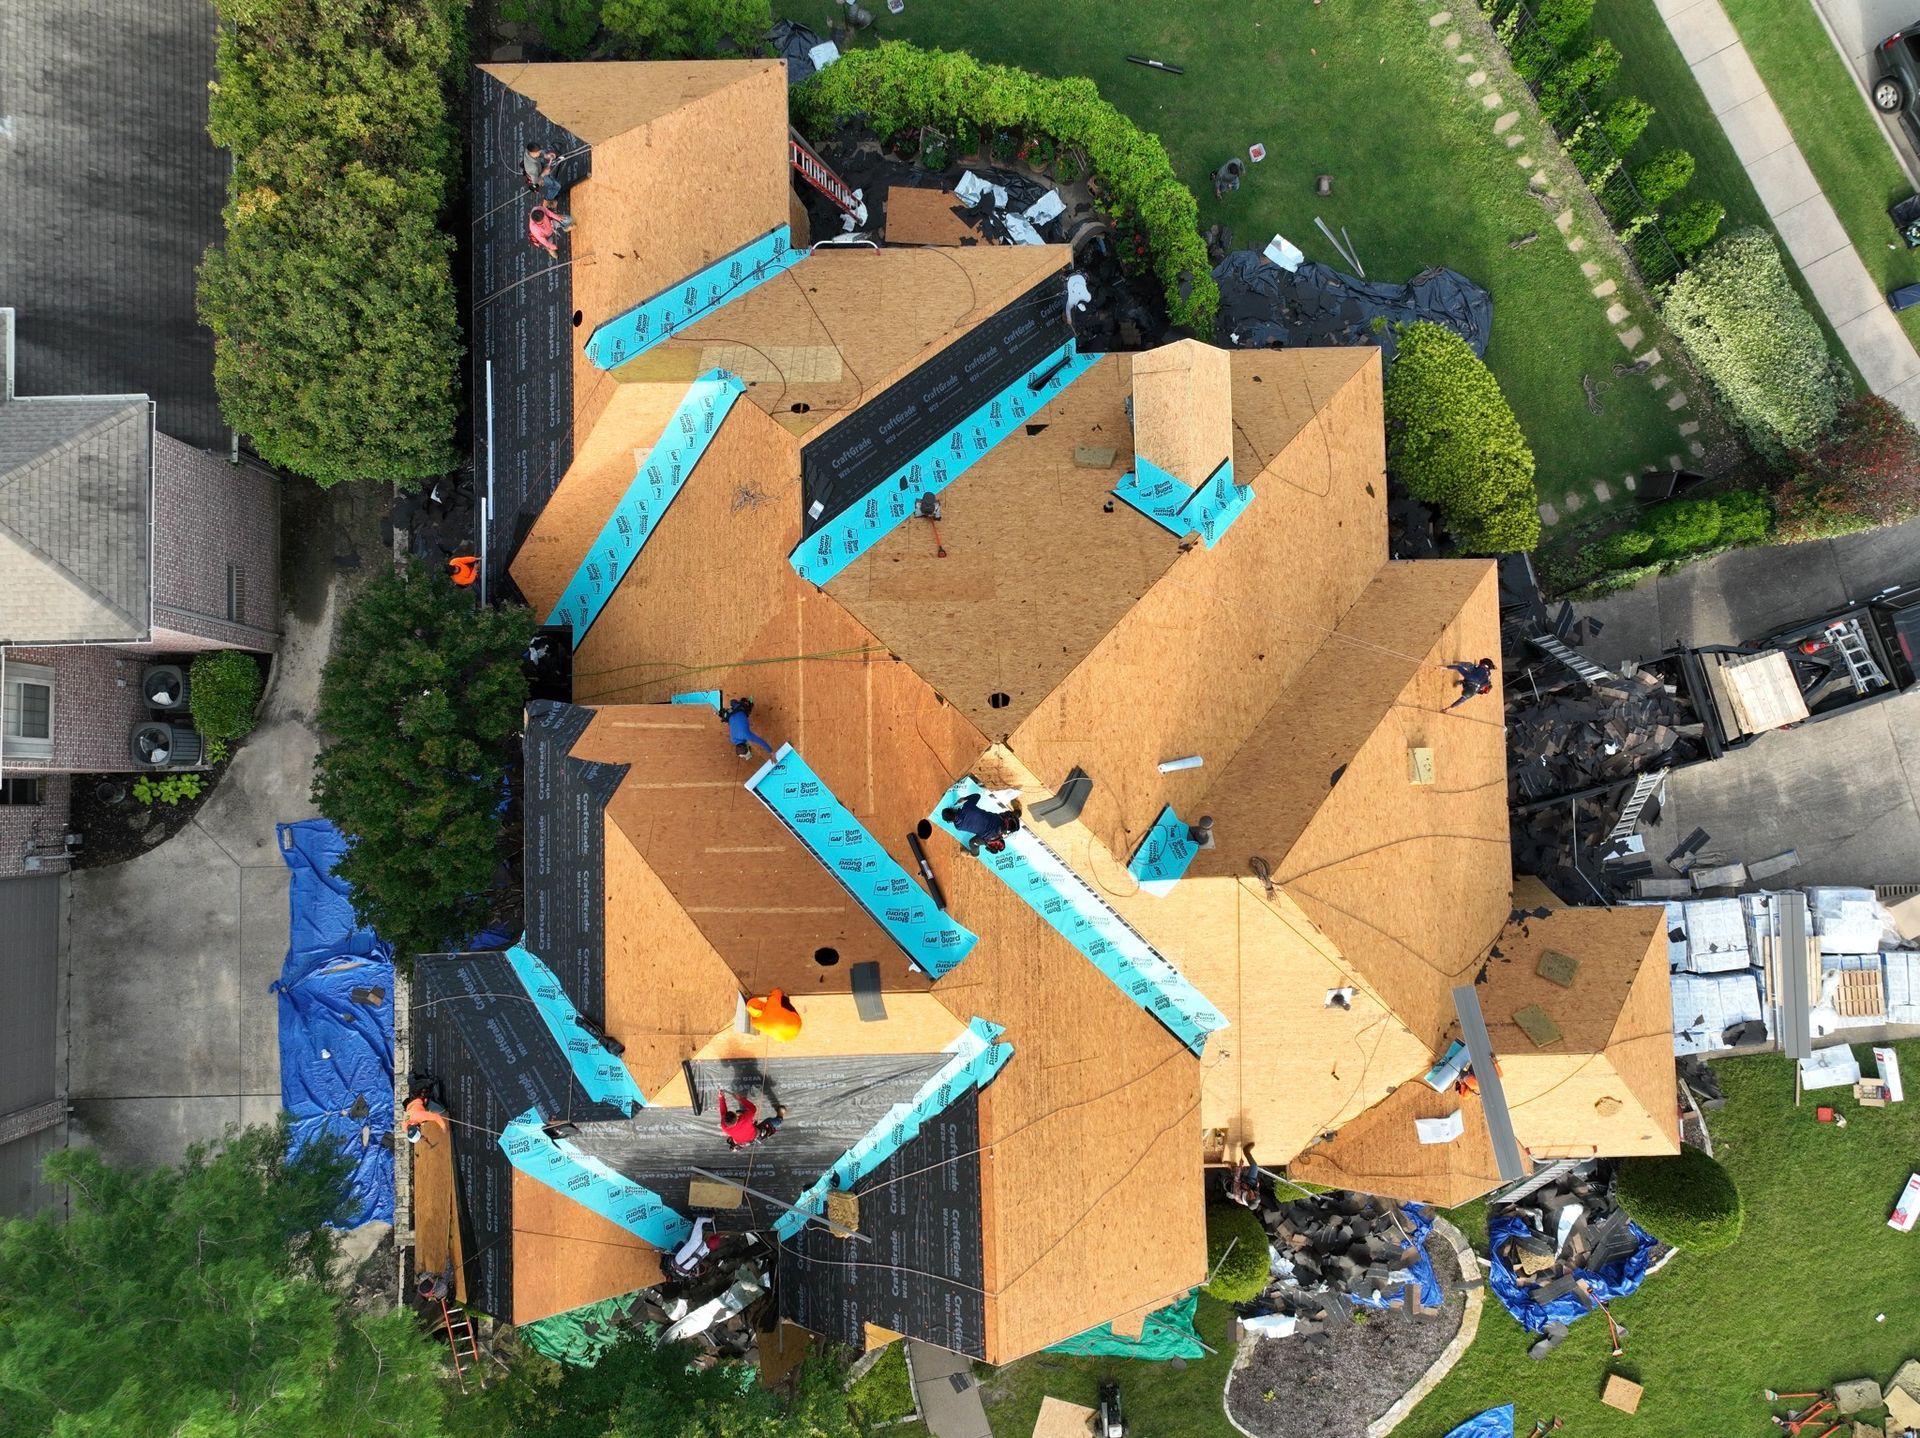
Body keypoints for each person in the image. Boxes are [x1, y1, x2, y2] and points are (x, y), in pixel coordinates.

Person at [941, 792, 1022, 855]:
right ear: (953, 809)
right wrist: (965, 798)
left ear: (951, 821)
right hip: (1001, 823)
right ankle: (1017, 813)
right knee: (1004, 816)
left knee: (972, 843)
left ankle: (973, 854)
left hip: (992, 838)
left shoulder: (958, 826)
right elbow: (977, 796)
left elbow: (956, 819)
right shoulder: (967, 806)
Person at [721, 695, 774, 760]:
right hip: (730, 714)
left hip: (741, 710)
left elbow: (761, 742)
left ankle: (748, 702)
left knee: (748, 708)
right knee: (732, 702)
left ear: (746, 746)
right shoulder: (732, 740)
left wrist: (771, 752)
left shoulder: (747, 735)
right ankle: (735, 704)